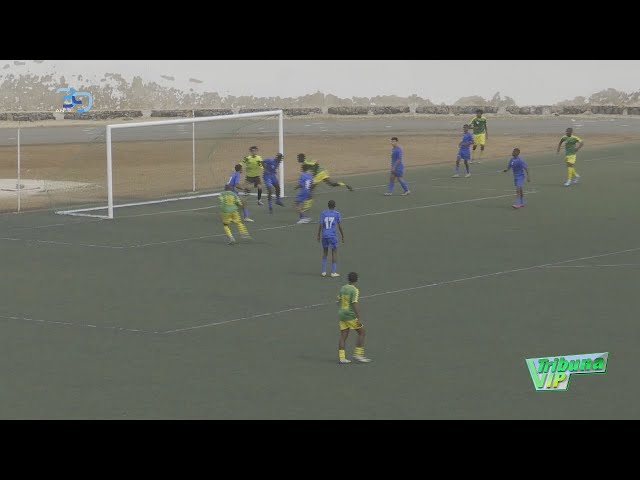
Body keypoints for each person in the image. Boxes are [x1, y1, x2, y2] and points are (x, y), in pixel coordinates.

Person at [337, 272, 371, 364]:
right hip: (350, 315)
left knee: (343, 336)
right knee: (362, 332)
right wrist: (359, 318)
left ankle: (342, 358)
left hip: (342, 314)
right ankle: (358, 355)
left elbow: (339, 299)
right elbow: (354, 303)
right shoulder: (355, 290)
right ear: (356, 280)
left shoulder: (343, 288)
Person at [317, 200, 345, 278]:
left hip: (324, 235)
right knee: (334, 252)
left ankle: (323, 271)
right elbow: (339, 226)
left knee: (325, 252)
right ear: (334, 206)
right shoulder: (336, 214)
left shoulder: (323, 213)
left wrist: (318, 235)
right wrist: (343, 236)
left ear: (328, 205)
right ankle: (333, 272)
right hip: (332, 236)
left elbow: (321, 225)